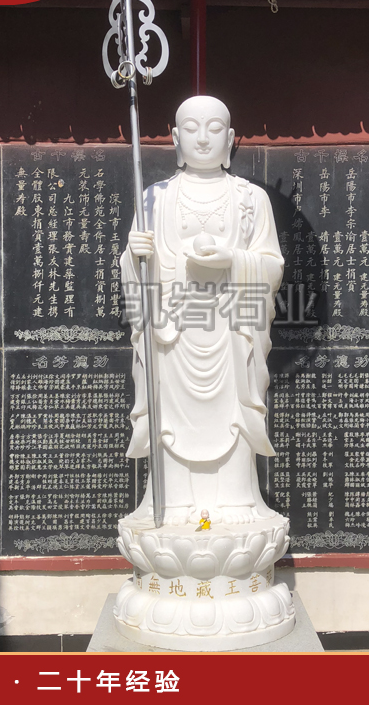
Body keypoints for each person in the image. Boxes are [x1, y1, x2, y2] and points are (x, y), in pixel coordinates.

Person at [121, 95, 284, 526]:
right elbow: (135, 275)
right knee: (171, 419)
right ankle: (171, 503)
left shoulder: (251, 199)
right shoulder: (153, 199)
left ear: (230, 139)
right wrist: (135, 257)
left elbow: (272, 267)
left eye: (214, 129)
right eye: (192, 129)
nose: (204, 138)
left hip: (231, 329)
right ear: (176, 138)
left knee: (233, 416)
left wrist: (234, 261)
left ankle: (236, 501)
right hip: (173, 331)